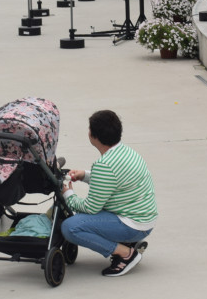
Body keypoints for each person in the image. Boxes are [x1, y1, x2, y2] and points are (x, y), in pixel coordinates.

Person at [60, 110, 158, 277]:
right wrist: (85, 175)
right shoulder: (127, 152)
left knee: (70, 227)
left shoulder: (105, 165)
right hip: (144, 218)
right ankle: (127, 242)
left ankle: (125, 254)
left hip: (131, 223)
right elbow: (112, 182)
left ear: (93, 136)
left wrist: (68, 193)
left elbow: (90, 208)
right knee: (88, 218)